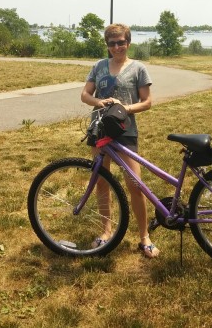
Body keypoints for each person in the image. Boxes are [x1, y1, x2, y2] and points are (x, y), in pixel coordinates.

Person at [81, 23, 159, 258]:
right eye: (112, 43)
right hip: (100, 130)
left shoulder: (138, 69)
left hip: (125, 131)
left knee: (135, 184)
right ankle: (106, 230)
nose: (117, 47)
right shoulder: (98, 67)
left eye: (121, 42)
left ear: (128, 43)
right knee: (101, 182)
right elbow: (85, 94)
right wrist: (98, 103)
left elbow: (147, 102)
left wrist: (126, 108)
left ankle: (144, 237)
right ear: (107, 45)